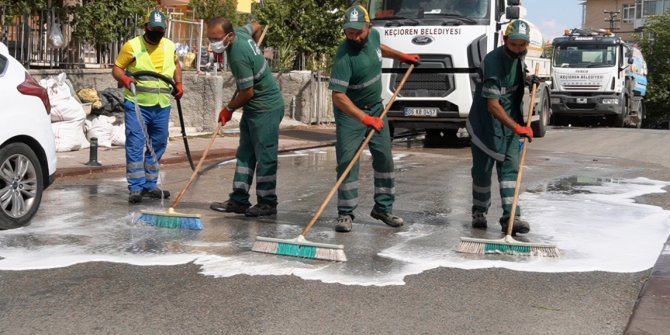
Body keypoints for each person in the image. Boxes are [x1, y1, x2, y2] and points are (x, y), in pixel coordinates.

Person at [328, 4, 420, 233]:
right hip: (351, 113)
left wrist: (402, 56)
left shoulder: (374, 36)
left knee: (385, 159)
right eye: (349, 32)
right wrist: (364, 119)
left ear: (369, 27)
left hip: (376, 108)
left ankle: (383, 208)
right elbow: (338, 97)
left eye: (358, 32)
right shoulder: (344, 56)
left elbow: (380, 48)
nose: (354, 36)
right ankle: (345, 214)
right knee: (348, 162)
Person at [206, 17, 284, 217]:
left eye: (216, 38)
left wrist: (229, 108)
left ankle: (267, 202)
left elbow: (247, 92)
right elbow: (257, 24)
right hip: (253, 108)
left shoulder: (238, 55)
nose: (213, 43)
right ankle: (239, 200)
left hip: (266, 108)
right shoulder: (240, 33)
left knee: (265, 157)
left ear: (229, 36)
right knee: (245, 154)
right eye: (210, 38)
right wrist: (257, 49)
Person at [466, 19, 538, 235]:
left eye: (522, 45)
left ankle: (511, 218)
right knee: (482, 172)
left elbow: (514, 79)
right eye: (514, 44)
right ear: (505, 40)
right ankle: (479, 211)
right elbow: (493, 106)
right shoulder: (493, 62)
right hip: (485, 125)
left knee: (510, 169)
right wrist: (518, 128)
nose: (518, 49)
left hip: (509, 125)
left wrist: (528, 79)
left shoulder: (519, 57)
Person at [112, 9, 183, 204]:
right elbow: (117, 68)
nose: (157, 33)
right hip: (137, 104)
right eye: (153, 29)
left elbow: (177, 65)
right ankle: (135, 187)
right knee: (136, 143)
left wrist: (179, 84)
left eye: (160, 30)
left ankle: (150, 184)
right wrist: (124, 78)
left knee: (158, 143)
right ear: (145, 28)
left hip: (162, 105)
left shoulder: (169, 46)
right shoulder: (132, 46)